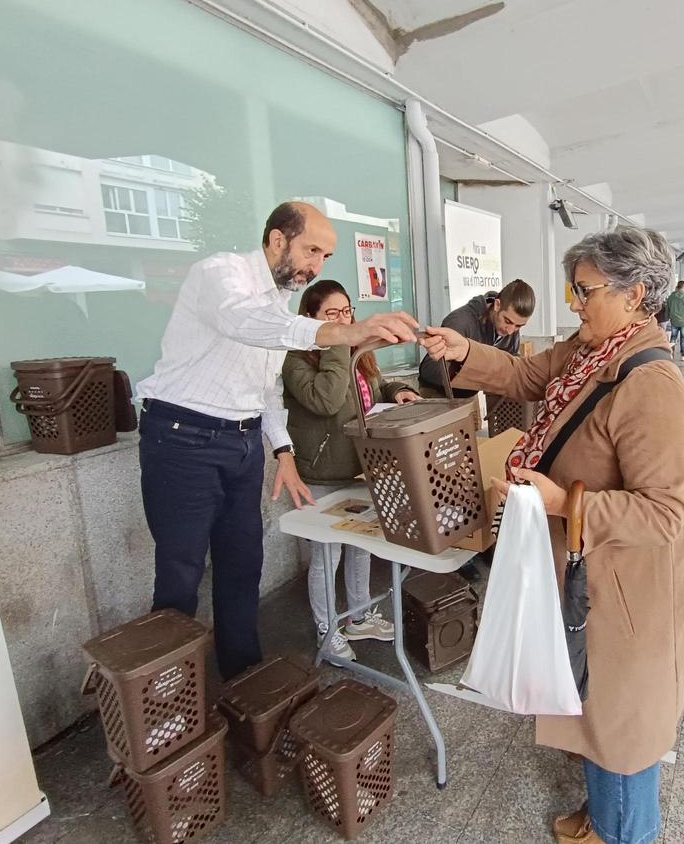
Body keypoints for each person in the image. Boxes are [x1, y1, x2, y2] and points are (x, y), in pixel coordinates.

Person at [422, 226, 684, 844]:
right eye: (573, 290)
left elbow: (665, 514)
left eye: (585, 291)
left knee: (618, 720)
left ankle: (622, 829)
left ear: (638, 294)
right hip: (583, 568)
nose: (574, 304)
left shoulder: (651, 385)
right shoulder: (591, 350)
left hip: (620, 581)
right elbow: (525, 377)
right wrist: (460, 350)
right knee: (591, 700)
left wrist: (561, 501)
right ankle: (604, 815)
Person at [136, 201, 417, 680]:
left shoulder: (277, 307)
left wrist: (282, 450)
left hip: (242, 442)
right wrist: (345, 331)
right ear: (276, 239)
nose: (316, 266)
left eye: (325, 257)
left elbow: (265, 389)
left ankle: (243, 678)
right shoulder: (220, 274)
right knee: (181, 572)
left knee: (243, 564)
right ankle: (167, 699)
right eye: (311, 250)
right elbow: (243, 323)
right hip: (182, 437)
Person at [282, 280, 420, 662]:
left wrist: (394, 392)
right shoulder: (295, 358)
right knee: (327, 556)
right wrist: (338, 341)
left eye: (347, 312)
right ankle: (328, 632)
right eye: (332, 314)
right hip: (322, 474)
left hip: (361, 467)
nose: (344, 320)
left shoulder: (355, 350)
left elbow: (367, 387)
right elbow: (327, 400)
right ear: (310, 319)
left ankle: (359, 617)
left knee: (361, 546)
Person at [418, 279, 535, 396]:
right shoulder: (461, 321)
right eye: (507, 321)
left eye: (518, 326)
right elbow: (430, 369)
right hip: (439, 396)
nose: (510, 331)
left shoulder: (511, 328)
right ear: (497, 305)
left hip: (478, 398)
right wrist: (482, 372)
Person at [666, 280, 684, 361]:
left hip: (674, 321)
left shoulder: (671, 297)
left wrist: (668, 317)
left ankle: (670, 354)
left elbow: (667, 308)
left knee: (673, 337)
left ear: (677, 286)